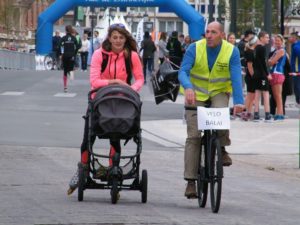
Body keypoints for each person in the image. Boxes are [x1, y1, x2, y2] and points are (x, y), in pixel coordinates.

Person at [67, 23, 144, 195]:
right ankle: (83, 168)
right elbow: (94, 82)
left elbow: (140, 79)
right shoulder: (98, 55)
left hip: (122, 102)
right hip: (99, 101)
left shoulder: (131, 56)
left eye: (121, 37)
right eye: (115, 37)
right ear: (109, 38)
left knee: (116, 138)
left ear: (126, 39)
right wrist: (115, 82)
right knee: (88, 138)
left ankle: (113, 170)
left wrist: (131, 89)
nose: (118, 41)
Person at [178, 21, 244, 198]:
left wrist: (239, 101)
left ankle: (221, 148)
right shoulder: (194, 48)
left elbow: (236, 76)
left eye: (213, 32)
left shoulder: (232, 51)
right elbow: (183, 71)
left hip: (218, 92)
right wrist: (188, 87)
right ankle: (191, 182)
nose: (208, 35)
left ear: (222, 35)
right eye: (207, 32)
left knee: (221, 113)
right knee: (193, 136)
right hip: (196, 94)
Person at [252, 31, 272, 122]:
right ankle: (267, 114)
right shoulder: (262, 48)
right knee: (266, 93)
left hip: (256, 74)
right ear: (261, 38)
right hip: (262, 75)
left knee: (257, 93)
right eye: (266, 37)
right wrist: (267, 74)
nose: (268, 39)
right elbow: (263, 63)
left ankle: (256, 114)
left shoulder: (256, 48)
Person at [267, 34, 287, 121]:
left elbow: (271, 62)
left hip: (278, 73)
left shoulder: (281, 51)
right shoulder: (276, 51)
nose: (276, 42)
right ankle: (279, 113)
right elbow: (270, 61)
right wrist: (270, 61)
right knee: (276, 96)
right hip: (274, 73)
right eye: (275, 40)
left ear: (282, 42)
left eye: (278, 40)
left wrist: (271, 61)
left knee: (278, 96)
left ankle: (280, 114)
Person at [241, 35, 258, 121]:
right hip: (251, 76)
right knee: (250, 95)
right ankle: (245, 112)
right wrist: (254, 76)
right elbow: (250, 66)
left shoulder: (250, 51)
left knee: (252, 95)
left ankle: (248, 112)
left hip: (250, 76)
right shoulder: (250, 52)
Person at [59, 25, 80, 92]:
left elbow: (60, 45)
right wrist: (74, 53)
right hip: (71, 55)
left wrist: (61, 53)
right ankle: (71, 74)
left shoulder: (63, 38)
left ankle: (65, 87)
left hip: (65, 55)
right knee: (71, 68)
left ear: (65, 30)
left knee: (65, 70)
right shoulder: (74, 38)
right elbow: (78, 46)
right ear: (71, 30)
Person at [288, 32, 300, 106]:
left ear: (294, 38)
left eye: (290, 37)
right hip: (295, 70)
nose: (289, 38)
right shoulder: (294, 46)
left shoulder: (296, 47)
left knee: (297, 87)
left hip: (297, 70)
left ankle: (298, 100)